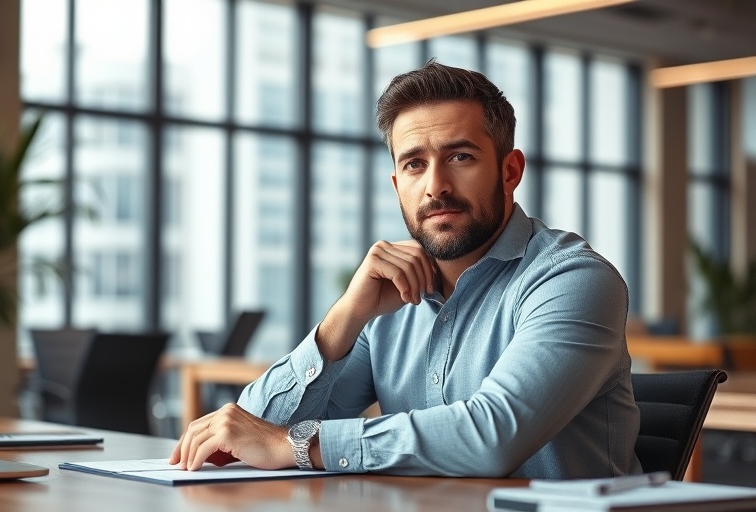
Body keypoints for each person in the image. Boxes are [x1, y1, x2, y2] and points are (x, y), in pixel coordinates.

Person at [171, 60, 642, 479]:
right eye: (415, 164)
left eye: (460, 157)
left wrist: (299, 446)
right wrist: (343, 320)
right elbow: (250, 437)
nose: (436, 186)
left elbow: (493, 437)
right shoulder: (390, 296)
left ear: (509, 171)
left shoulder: (575, 280)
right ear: (398, 185)